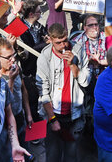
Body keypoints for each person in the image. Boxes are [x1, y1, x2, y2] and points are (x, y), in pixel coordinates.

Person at [36, 23, 90, 162]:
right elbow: (43, 91)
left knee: (71, 156)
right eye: (58, 42)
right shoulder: (45, 56)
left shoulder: (78, 50)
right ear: (50, 40)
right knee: (53, 155)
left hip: (74, 114)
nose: (63, 45)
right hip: (54, 115)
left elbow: (85, 82)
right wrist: (52, 119)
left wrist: (73, 65)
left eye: (65, 40)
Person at [0, 38, 34, 144]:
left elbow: (23, 90)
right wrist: (11, 80)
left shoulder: (15, 69)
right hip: (6, 122)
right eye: (8, 58)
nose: (13, 60)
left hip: (20, 115)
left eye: (13, 55)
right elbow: (4, 102)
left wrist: (28, 114)